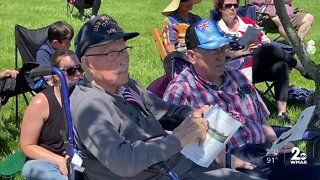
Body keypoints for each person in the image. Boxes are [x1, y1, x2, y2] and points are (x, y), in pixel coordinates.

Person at [71, 14, 261, 180]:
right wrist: (178, 138)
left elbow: (167, 110)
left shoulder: (127, 86)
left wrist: (192, 114)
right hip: (165, 174)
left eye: (123, 50)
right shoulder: (90, 108)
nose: (122, 59)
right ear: (88, 64)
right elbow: (124, 161)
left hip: (182, 166)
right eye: (112, 53)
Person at [163, 18, 320, 180]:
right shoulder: (181, 89)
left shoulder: (237, 77)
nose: (220, 57)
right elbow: (174, 143)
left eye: (223, 49)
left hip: (265, 150)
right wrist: (226, 160)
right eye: (212, 52)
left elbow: (261, 121)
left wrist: (277, 142)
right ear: (192, 56)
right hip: (227, 161)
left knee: (315, 170)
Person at [213, 0, 312, 123]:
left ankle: (282, 112)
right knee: (267, 49)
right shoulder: (216, 29)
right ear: (219, 8)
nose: (232, 8)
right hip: (235, 71)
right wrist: (243, 52)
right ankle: (302, 68)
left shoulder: (247, 22)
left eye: (235, 5)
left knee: (280, 65)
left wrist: (258, 44)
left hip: (257, 66)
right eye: (228, 6)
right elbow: (217, 55)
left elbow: (266, 41)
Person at [20, 49, 83, 179]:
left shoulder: (84, 97)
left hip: (77, 158)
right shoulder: (41, 102)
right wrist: (59, 161)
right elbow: (27, 145)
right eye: (71, 71)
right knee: (36, 170)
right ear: (56, 76)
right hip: (47, 162)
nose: (78, 74)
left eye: (80, 68)